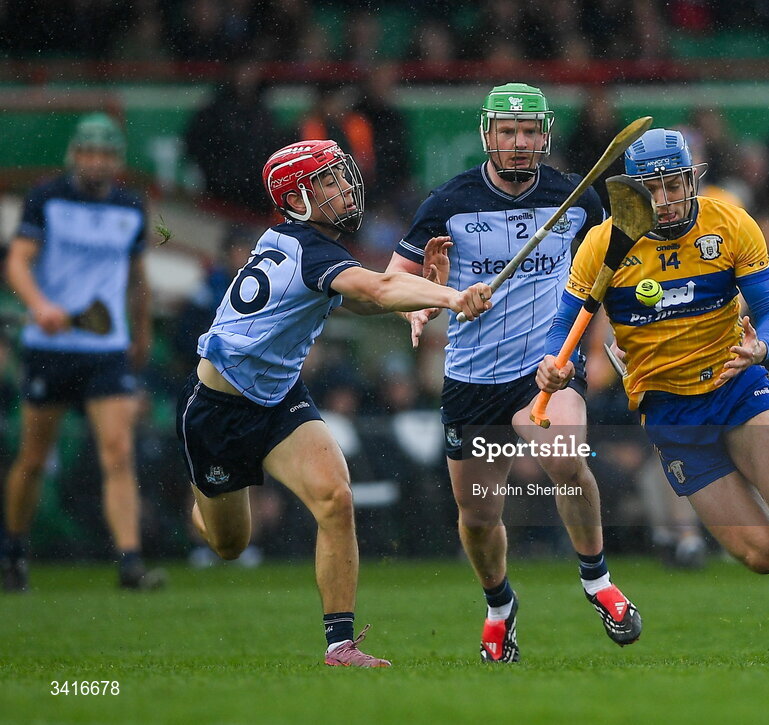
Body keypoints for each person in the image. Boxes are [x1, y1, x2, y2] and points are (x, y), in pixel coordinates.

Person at [537, 128, 769, 662]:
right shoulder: (604, 243)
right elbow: (565, 329)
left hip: (737, 384)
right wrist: (560, 367)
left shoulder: (730, 224)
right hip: (669, 410)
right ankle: (762, 497)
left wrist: (761, 350)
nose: (664, 200)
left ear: (692, 180)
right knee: (763, 555)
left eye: (674, 185)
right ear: (633, 193)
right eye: (651, 190)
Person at [176, 139, 491, 668]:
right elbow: (382, 288)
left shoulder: (308, 245)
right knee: (230, 545)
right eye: (327, 182)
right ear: (297, 198)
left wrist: (423, 286)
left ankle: (340, 645)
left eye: (341, 176)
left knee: (335, 498)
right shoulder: (312, 249)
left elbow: (365, 298)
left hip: (277, 401)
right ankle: (202, 501)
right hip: (219, 411)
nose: (344, 188)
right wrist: (453, 296)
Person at [387, 82, 641, 663]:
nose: (520, 143)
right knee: (478, 516)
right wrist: (433, 298)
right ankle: (499, 605)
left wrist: (603, 346)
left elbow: (603, 280)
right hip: (472, 380)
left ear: (544, 135)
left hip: (546, 368)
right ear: (488, 136)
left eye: (529, 132)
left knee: (564, 459)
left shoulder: (576, 199)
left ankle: (597, 580)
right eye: (508, 132)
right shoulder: (448, 203)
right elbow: (393, 281)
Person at [1, 113, 162, 592]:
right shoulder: (47, 198)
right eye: (89, 152)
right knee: (32, 457)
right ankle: (13, 554)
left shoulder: (131, 207)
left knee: (118, 451)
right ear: (75, 155)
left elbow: (136, 279)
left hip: (106, 348)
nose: (97, 161)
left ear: (117, 160)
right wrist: (39, 305)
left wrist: (143, 330)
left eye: (106, 153)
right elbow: (18, 262)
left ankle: (130, 563)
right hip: (49, 346)